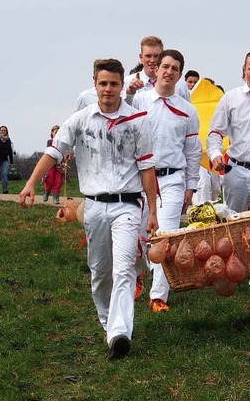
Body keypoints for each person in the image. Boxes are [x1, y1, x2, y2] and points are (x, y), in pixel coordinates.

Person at [19, 59, 158, 360]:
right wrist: (31, 183)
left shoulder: (138, 120)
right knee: (100, 272)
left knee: (123, 269)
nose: (108, 89)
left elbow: (147, 167)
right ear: (94, 84)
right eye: (103, 83)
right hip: (94, 206)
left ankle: (120, 333)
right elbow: (54, 152)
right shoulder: (80, 120)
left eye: (114, 84)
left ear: (122, 85)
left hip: (127, 205)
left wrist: (154, 212)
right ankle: (109, 325)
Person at [131, 49, 202, 312]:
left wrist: (191, 186)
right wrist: (129, 91)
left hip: (172, 179)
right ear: (156, 69)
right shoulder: (140, 100)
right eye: (165, 66)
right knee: (137, 234)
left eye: (175, 68)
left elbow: (193, 150)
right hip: (140, 178)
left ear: (180, 75)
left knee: (164, 235)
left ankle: (158, 296)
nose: (169, 71)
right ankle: (136, 276)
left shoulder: (188, 110)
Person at [207, 50, 250, 295]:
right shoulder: (231, 98)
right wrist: (215, 155)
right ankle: (234, 268)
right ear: (243, 71)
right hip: (236, 169)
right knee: (233, 222)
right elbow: (215, 133)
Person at [125, 36, 191, 102]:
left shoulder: (180, 86)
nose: (152, 60)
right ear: (141, 57)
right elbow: (120, 110)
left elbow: (187, 110)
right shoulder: (128, 82)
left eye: (156, 56)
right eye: (148, 56)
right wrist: (130, 93)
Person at [42, 125, 65, 204]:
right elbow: (49, 151)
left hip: (59, 164)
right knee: (50, 179)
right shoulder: (50, 141)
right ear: (52, 133)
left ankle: (56, 197)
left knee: (58, 181)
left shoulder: (63, 142)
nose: (57, 133)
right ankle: (47, 192)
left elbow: (65, 152)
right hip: (51, 164)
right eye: (56, 132)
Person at [0, 126, 14, 194]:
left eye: (4, 130)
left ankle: (5, 189)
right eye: (2, 130)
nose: (3, 131)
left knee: (4, 174)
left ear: (6, 132)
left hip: (5, 160)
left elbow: (10, 151)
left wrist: (11, 162)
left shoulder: (8, 140)